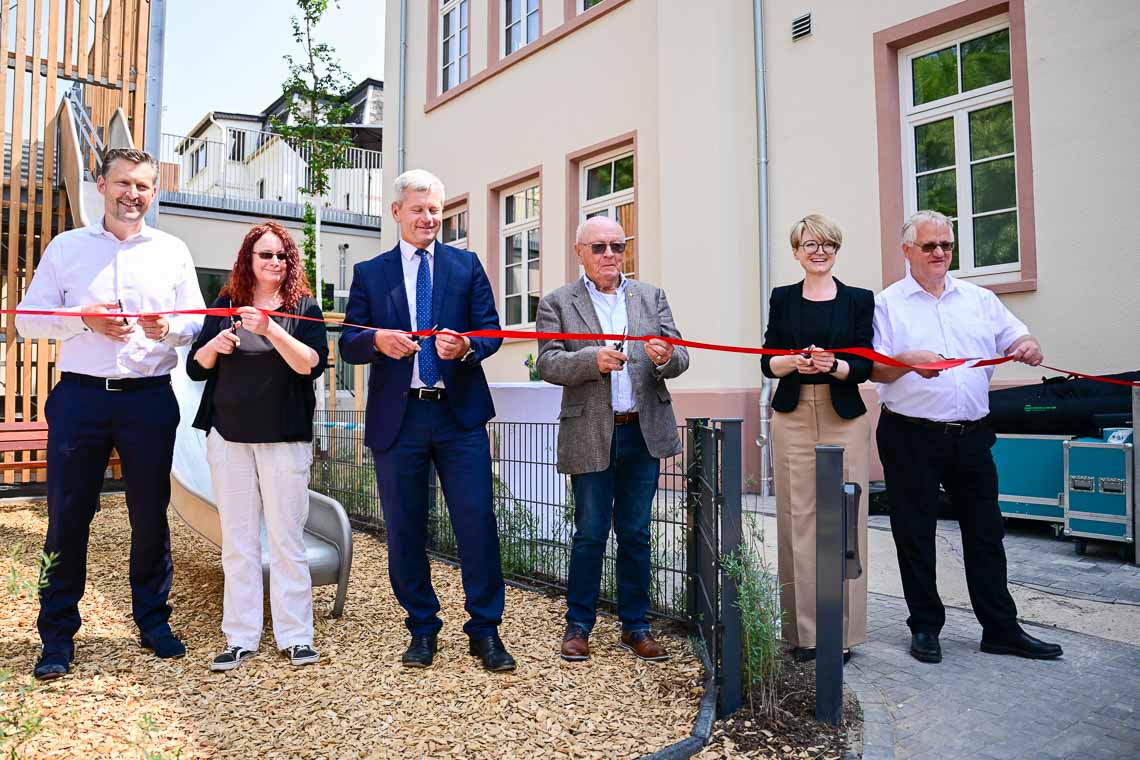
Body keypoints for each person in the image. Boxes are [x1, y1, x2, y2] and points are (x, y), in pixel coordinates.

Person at [15, 148, 205, 680]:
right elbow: (29, 321)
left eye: (143, 185)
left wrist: (166, 327)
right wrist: (83, 320)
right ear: (101, 184)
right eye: (123, 183)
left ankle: (152, 621)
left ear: (153, 192)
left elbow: (194, 322)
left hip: (148, 398)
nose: (133, 194)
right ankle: (55, 636)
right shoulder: (66, 248)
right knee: (67, 517)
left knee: (151, 514)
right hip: (80, 399)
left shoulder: (173, 251)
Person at [339, 169, 514, 672]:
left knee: (477, 523)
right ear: (396, 212)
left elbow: (492, 332)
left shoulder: (465, 266)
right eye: (418, 209)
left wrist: (466, 347)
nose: (428, 218)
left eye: (435, 209)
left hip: (459, 419)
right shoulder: (372, 274)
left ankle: (486, 630)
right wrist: (377, 341)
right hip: (401, 420)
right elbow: (349, 342)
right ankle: (421, 628)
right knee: (405, 528)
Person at [871, 209, 1063, 664]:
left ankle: (1000, 628)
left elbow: (1017, 335)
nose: (939, 253)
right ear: (907, 251)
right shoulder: (887, 304)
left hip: (972, 435)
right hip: (910, 435)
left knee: (986, 533)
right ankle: (924, 628)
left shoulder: (979, 299)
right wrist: (907, 361)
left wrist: (1029, 345)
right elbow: (874, 368)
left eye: (946, 246)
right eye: (929, 246)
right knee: (914, 533)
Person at [536, 216, 690, 662]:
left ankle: (636, 626)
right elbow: (547, 363)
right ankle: (579, 625)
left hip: (644, 432)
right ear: (580, 251)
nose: (610, 255)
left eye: (617, 247)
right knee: (589, 534)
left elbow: (680, 354)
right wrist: (591, 360)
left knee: (637, 534)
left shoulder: (650, 296)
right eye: (600, 247)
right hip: (590, 432)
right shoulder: (557, 303)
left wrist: (665, 358)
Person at [186, 221, 328, 671]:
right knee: (239, 542)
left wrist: (270, 329)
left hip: (283, 439)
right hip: (228, 437)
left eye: (281, 256)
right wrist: (218, 345)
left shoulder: (304, 307)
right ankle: (240, 636)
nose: (274, 263)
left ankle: (296, 635)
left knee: (287, 539)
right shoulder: (225, 305)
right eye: (264, 255)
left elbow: (310, 365)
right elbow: (196, 367)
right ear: (248, 260)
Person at [761, 214, 873, 664]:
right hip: (792, 415)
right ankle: (804, 634)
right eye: (810, 244)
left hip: (843, 413)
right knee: (797, 520)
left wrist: (834, 366)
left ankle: (844, 634)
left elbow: (865, 362)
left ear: (836, 249)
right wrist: (796, 363)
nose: (819, 251)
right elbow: (768, 360)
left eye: (827, 243)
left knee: (845, 518)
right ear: (796, 252)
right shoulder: (783, 299)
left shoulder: (859, 299)